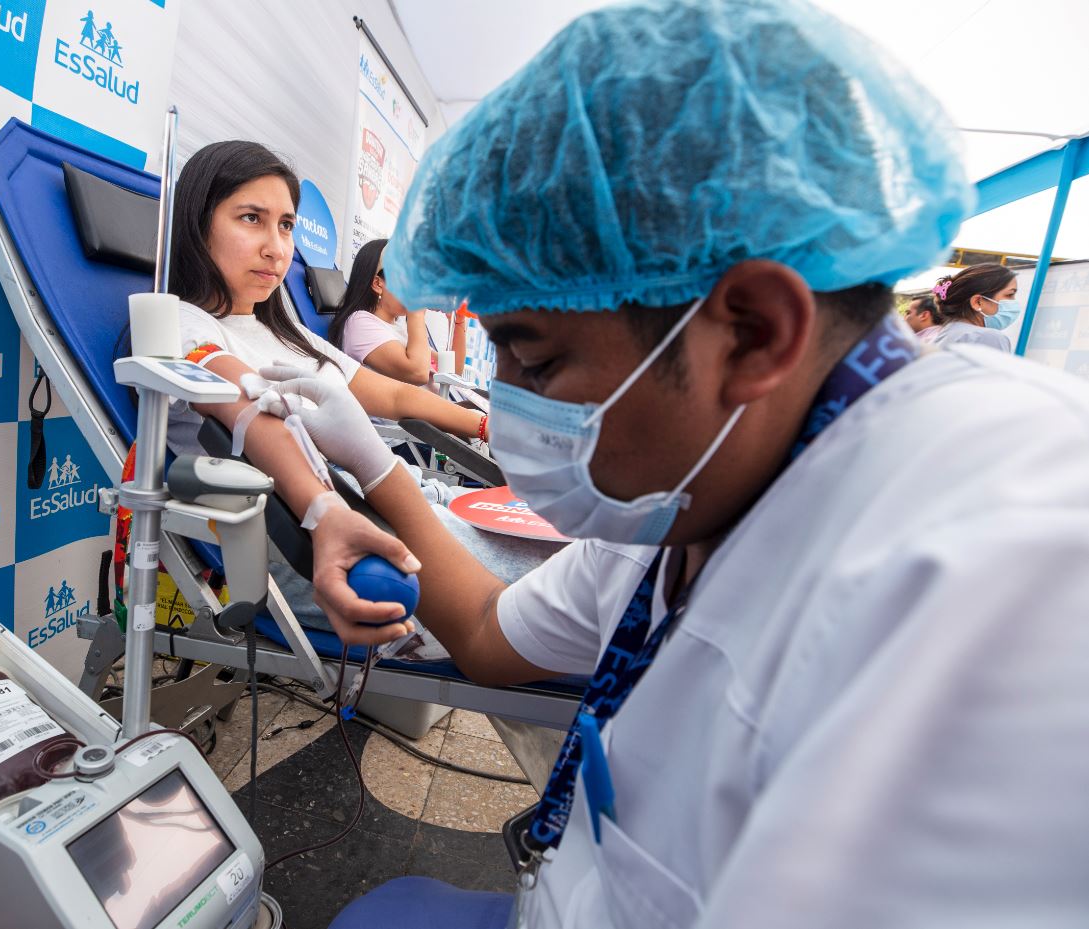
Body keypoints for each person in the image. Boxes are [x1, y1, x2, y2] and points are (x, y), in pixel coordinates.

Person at [281, 2, 1089, 926]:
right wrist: (363, 476)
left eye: (538, 361)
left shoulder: (1018, 574)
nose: (505, 416)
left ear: (752, 332)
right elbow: (487, 635)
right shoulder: (702, 481)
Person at [111, 140, 546, 632]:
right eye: (250, 218)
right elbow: (253, 412)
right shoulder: (185, 326)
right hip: (337, 548)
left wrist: (488, 425)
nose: (276, 248)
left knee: (569, 555)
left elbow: (396, 395)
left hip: (396, 503)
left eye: (286, 225)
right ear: (198, 223)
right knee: (565, 599)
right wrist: (326, 511)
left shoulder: (285, 329)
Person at [328, 238, 468, 388]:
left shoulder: (399, 328)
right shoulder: (359, 323)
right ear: (377, 284)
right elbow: (418, 373)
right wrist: (416, 311)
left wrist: (458, 321)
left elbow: (453, 371)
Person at [927, 263, 1020, 351]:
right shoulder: (987, 338)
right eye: (1010, 294)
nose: (1014, 301)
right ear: (977, 302)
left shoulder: (944, 335)